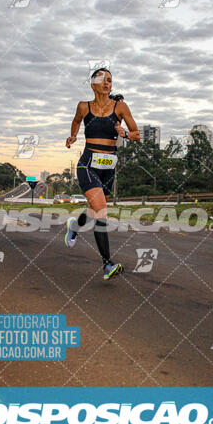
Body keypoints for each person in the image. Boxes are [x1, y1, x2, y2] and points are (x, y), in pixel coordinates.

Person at [65, 68, 140, 280]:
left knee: (93, 210)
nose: (107, 83)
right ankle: (107, 264)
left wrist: (125, 133)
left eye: (110, 80)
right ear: (92, 84)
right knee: (101, 211)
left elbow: (137, 135)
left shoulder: (120, 107)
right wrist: (72, 137)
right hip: (88, 165)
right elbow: (77, 121)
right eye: (102, 79)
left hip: (109, 168)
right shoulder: (83, 106)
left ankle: (74, 226)